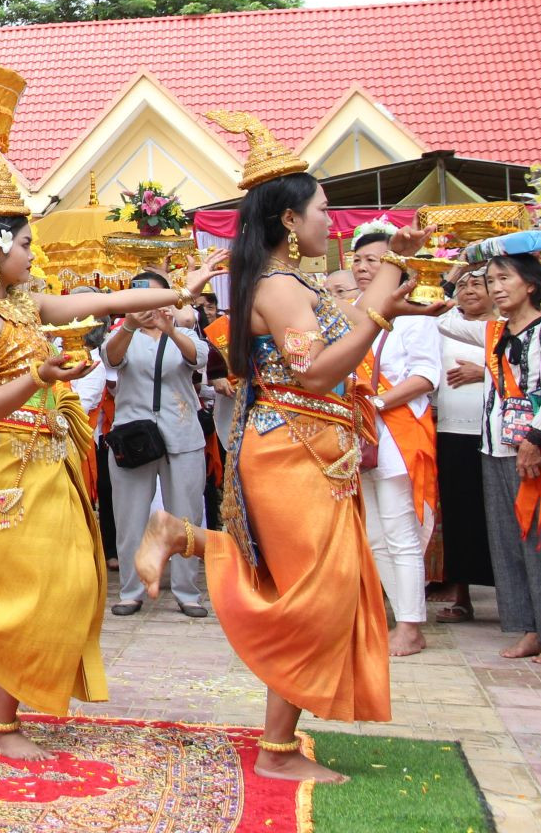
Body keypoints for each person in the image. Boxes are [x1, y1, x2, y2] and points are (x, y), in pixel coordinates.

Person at [0, 138, 225, 758]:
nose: (35, 254)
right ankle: (1, 725)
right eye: (27, 243)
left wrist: (179, 294)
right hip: (0, 466)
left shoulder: (26, 306)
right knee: (23, 594)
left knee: (75, 581)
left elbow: (107, 301)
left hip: (46, 461)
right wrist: (39, 377)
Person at [133, 111, 440, 783]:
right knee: (313, 594)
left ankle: (186, 538)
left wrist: (393, 273)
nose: (330, 221)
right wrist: (381, 306)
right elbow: (318, 371)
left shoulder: (294, 284)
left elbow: (345, 333)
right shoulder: (277, 286)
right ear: (290, 221)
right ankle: (276, 751)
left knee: (316, 588)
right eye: (322, 210)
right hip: (292, 447)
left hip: (311, 446)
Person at [448, 252, 541, 661]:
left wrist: (533, 438)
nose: (495, 287)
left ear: (531, 284)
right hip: (494, 446)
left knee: (538, 540)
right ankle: (528, 627)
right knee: (506, 541)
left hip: (533, 448)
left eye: (504, 278)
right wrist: (454, 274)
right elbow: (442, 320)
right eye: (490, 280)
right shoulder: (494, 330)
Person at [350, 225, 444, 659]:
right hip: (358, 431)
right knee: (374, 534)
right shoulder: (352, 309)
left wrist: (376, 403)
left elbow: (426, 376)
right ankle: (398, 615)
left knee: (399, 530)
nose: (362, 267)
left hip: (397, 430)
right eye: (358, 260)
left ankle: (411, 626)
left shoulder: (415, 312)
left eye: (373, 260)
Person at [103, 271, 212, 620]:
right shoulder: (122, 334)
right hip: (132, 436)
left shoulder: (185, 333)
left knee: (187, 517)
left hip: (182, 433)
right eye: (141, 297)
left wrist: (171, 330)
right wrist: (129, 325)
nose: (148, 305)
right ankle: (131, 591)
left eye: (154, 297)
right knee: (130, 517)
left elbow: (199, 359)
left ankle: (187, 591)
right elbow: (110, 359)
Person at [433, 265, 496, 624]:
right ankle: (462, 595)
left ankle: (511, 594)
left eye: (479, 284)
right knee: (459, 512)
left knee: (496, 513)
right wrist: (453, 274)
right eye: (465, 285)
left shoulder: (506, 324)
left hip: (495, 432)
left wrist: (483, 372)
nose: (470, 290)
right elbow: (429, 304)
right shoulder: (446, 323)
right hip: (451, 429)